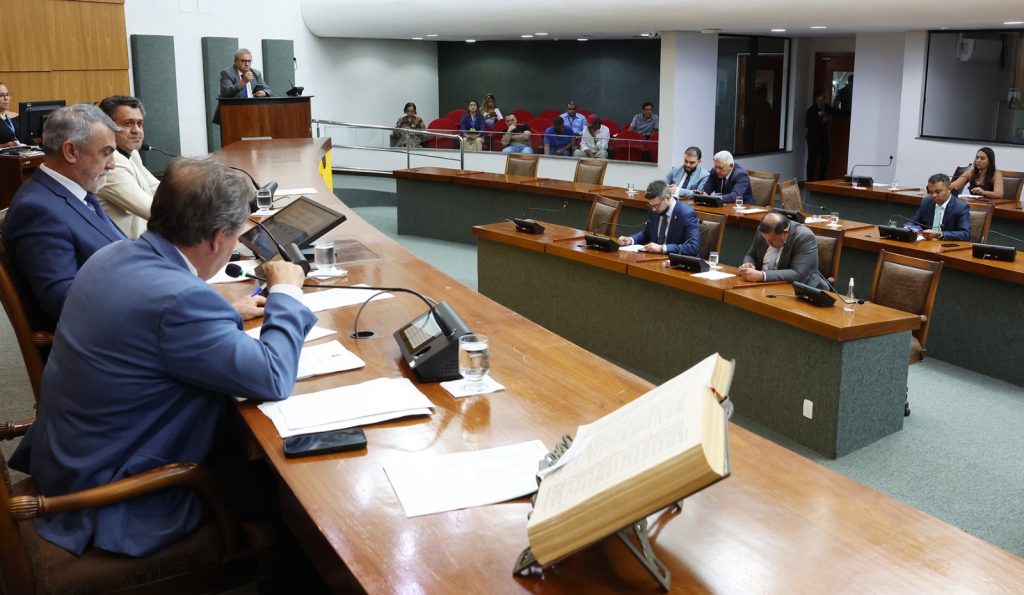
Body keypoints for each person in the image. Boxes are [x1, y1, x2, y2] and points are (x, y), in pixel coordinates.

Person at [8, 158, 316, 557]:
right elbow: (273, 377)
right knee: (296, 495)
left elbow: (154, 328)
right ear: (219, 237)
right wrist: (286, 291)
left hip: (75, 457)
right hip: (116, 493)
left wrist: (224, 316)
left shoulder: (113, 255)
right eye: (238, 235)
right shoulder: (182, 300)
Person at [3, 104, 125, 324]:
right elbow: (63, 303)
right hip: (105, 342)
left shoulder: (78, 192)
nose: (112, 165)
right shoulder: (37, 210)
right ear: (70, 152)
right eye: (105, 153)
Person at [96, 95, 159, 239]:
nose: (136, 130)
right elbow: (151, 210)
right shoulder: (110, 163)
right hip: (127, 249)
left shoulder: (132, 154)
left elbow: (158, 189)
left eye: (140, 124)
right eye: (128, 123)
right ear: (107, 127)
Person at [738, 212, 826, 287]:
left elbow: (798, 275)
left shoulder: (804, 237)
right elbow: (751, 255)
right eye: (766, 240)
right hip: (763, 287)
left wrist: (762, 276)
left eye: (772, 241)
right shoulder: (763, 231)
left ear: (785, 232)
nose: (769, 244)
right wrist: (748, 264)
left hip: (797, 290)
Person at [616, 180, 699, 255]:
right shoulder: (654, 209)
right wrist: (630, 240)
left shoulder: (686, 214)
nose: (653, 209)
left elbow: (693, 247)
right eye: (650, 205)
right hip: (655, 259)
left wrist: (662, 248)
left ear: (668, 197)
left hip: (675, 263)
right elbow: (647, 233)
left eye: (656, 206)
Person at [909, 173, 971, 241]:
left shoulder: (960, 207)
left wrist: (940, 234)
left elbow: (965, 234)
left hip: (946, 246)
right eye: (931, 192)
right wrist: (907, 228)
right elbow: (913, 222)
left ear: (949, 189)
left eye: (938, 191)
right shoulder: (926, 202)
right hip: (925, 244)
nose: (934, 195)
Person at [805, 89, 832, 181]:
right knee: (812, 159)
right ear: (817, 99)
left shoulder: (827, 108)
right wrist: (821, 121)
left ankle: (822, 180)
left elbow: (837, 112)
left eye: (826, 98)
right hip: (813, 138)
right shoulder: (812, 110)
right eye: (823, 97)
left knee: (825, 159)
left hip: (823, 138)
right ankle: (810, 181)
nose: (825, 100)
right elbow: (808, 124)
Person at [0, 82, 19, 147]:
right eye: (1, 95)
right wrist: (3, 145)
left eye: (7, 95)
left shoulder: (16, 117)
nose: (6, 98)